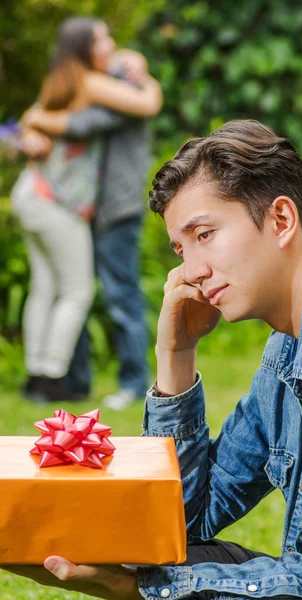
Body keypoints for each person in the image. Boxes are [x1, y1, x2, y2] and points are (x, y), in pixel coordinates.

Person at [4, 120, 302, 598]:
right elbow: (181, 522)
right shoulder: (289, 347)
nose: (191, 271)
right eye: (180, 247)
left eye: (205, 234)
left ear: (281, 220)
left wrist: (134, 589)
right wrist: (176, 355)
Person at [19, 17, 162, 404]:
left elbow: (85, 121)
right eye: (102, 39)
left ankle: (124, 383)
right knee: (75, 291)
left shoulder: (95, 81)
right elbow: (135, 104)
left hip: (99, 204)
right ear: (84, 48)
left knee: (103, 292)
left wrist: (34, 121)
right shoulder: (90, 82)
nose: (111, 44)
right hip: (67, 205)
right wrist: (30, 126)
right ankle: (64, 379)